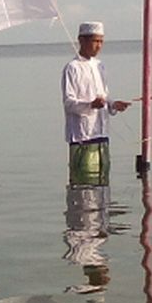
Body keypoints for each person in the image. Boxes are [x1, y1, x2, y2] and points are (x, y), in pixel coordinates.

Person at [61, 22, 130, 186]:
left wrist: (113, 104)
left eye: (101, 41)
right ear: (81, 41)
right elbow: (69, 103)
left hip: (102, 134)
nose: (98, 46)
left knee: (103, 183)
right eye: (95, 41)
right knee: (84, 184)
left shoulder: (100, 66)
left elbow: (104, 96)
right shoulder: (72, 68)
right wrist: (90, 105)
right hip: (82, 136)